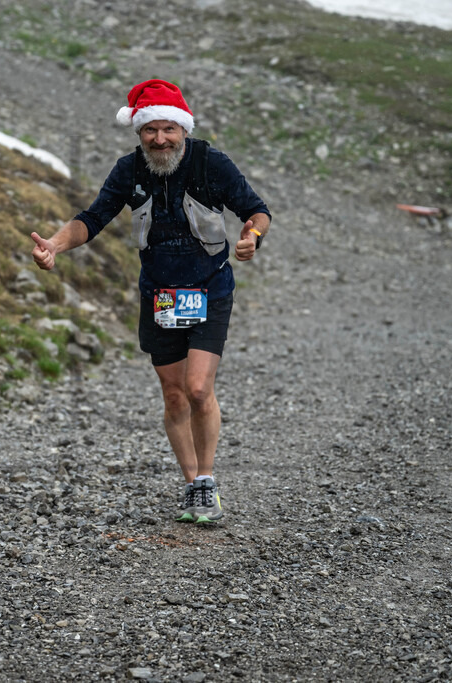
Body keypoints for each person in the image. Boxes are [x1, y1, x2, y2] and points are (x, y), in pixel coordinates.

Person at [30, 78, 271, 524]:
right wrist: (55, 246)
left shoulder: (211, 163)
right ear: (139, 132)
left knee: (198, 388)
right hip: (160, 295)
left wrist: (252, 236)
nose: (160, 139)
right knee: (174, 394)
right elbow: (92, 218)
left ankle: (207, 479)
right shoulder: (129, 170)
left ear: (183, 129)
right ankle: (192, 484)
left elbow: (257, 210)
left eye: (168, 129)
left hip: (210, 289)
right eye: (150, 130)